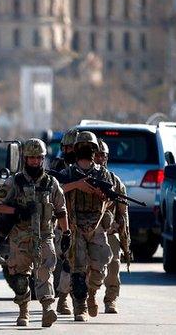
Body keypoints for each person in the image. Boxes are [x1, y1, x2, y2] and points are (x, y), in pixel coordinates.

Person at [0, 138, 70, 327]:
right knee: (20, 278)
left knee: (45, 273)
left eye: (38, 158)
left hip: (45, 235)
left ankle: (47, 309)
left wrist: (66, 233)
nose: (35, 162)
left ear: (43, 159)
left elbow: (61, 210)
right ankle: (23, 311)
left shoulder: (52, 183)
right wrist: (17, 211)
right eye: (31, 158)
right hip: (20, 237)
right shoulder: (14, 182)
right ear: (25, 159)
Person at [60, 131, 113, 322]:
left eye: (89, 147)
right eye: (81, 146)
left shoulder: (103, 173)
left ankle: (92, 294)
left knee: (100, 267)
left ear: (94, 149)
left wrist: (103, 196)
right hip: (75, 226)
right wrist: (77, 185)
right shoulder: (68, 173)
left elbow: (111, 198)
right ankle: (79, 306)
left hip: (96, 226)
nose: (85, 150)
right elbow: (56, 191)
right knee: (78, 269)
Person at [95, 140, 129, 314]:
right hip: (88, 231)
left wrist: (124, 239)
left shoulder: (115, 182)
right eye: (97, 155)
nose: (100, 158)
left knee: (114, 265)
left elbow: (122, 214)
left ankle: (111, 299)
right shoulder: (83, 178)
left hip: (109, 231)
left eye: (103, 155)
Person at [47, 128, 78, 315]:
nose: (70, 150)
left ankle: (67, 298)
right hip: (58, 221)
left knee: (74, 261)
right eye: (67, 147)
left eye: (74, 147)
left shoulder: (88, 167)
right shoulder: (57, 168)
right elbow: (54, 189)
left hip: (81, 220)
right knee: (57, 261)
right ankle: (58, 298)